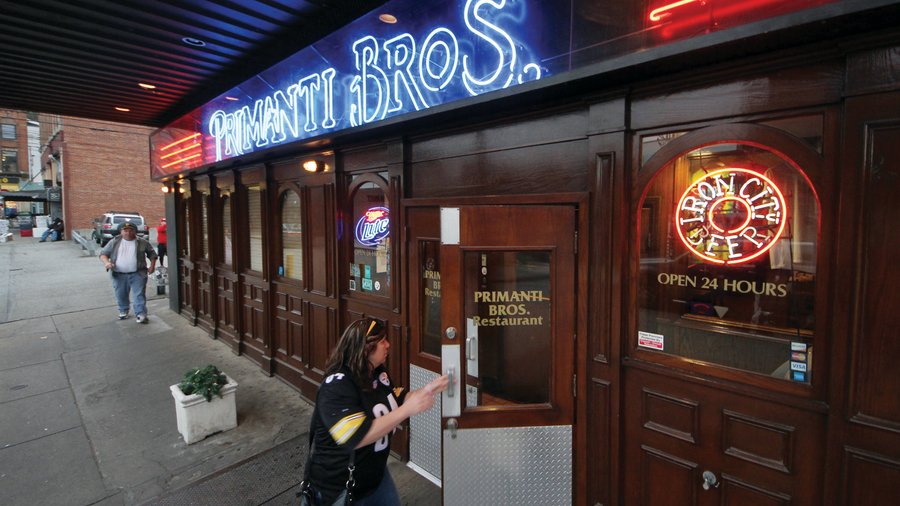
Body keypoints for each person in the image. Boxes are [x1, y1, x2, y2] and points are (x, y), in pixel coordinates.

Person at [302, 319, 449, 505]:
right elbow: (355, 436)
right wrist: (407, 410)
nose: (388, 345)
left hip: (376, 478)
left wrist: (427, 390)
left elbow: (395, 398)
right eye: (382, 341)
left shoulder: (376, 373)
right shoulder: (337, 385)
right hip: (341, 488)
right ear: (366, 348)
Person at [98, 221, 157, 323]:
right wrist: (107, 263)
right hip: (118, 274)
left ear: (135, 231)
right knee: (121, 294)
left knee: (139, 294)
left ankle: (140, 314)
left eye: (131, 230)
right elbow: (103, 254)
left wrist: (152, 266)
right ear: (121, 232)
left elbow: (152, 254)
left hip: (138, 273)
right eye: (125, 230)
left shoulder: (142, 242)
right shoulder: (114, 242)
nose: (128, 233)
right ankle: (123, 310)